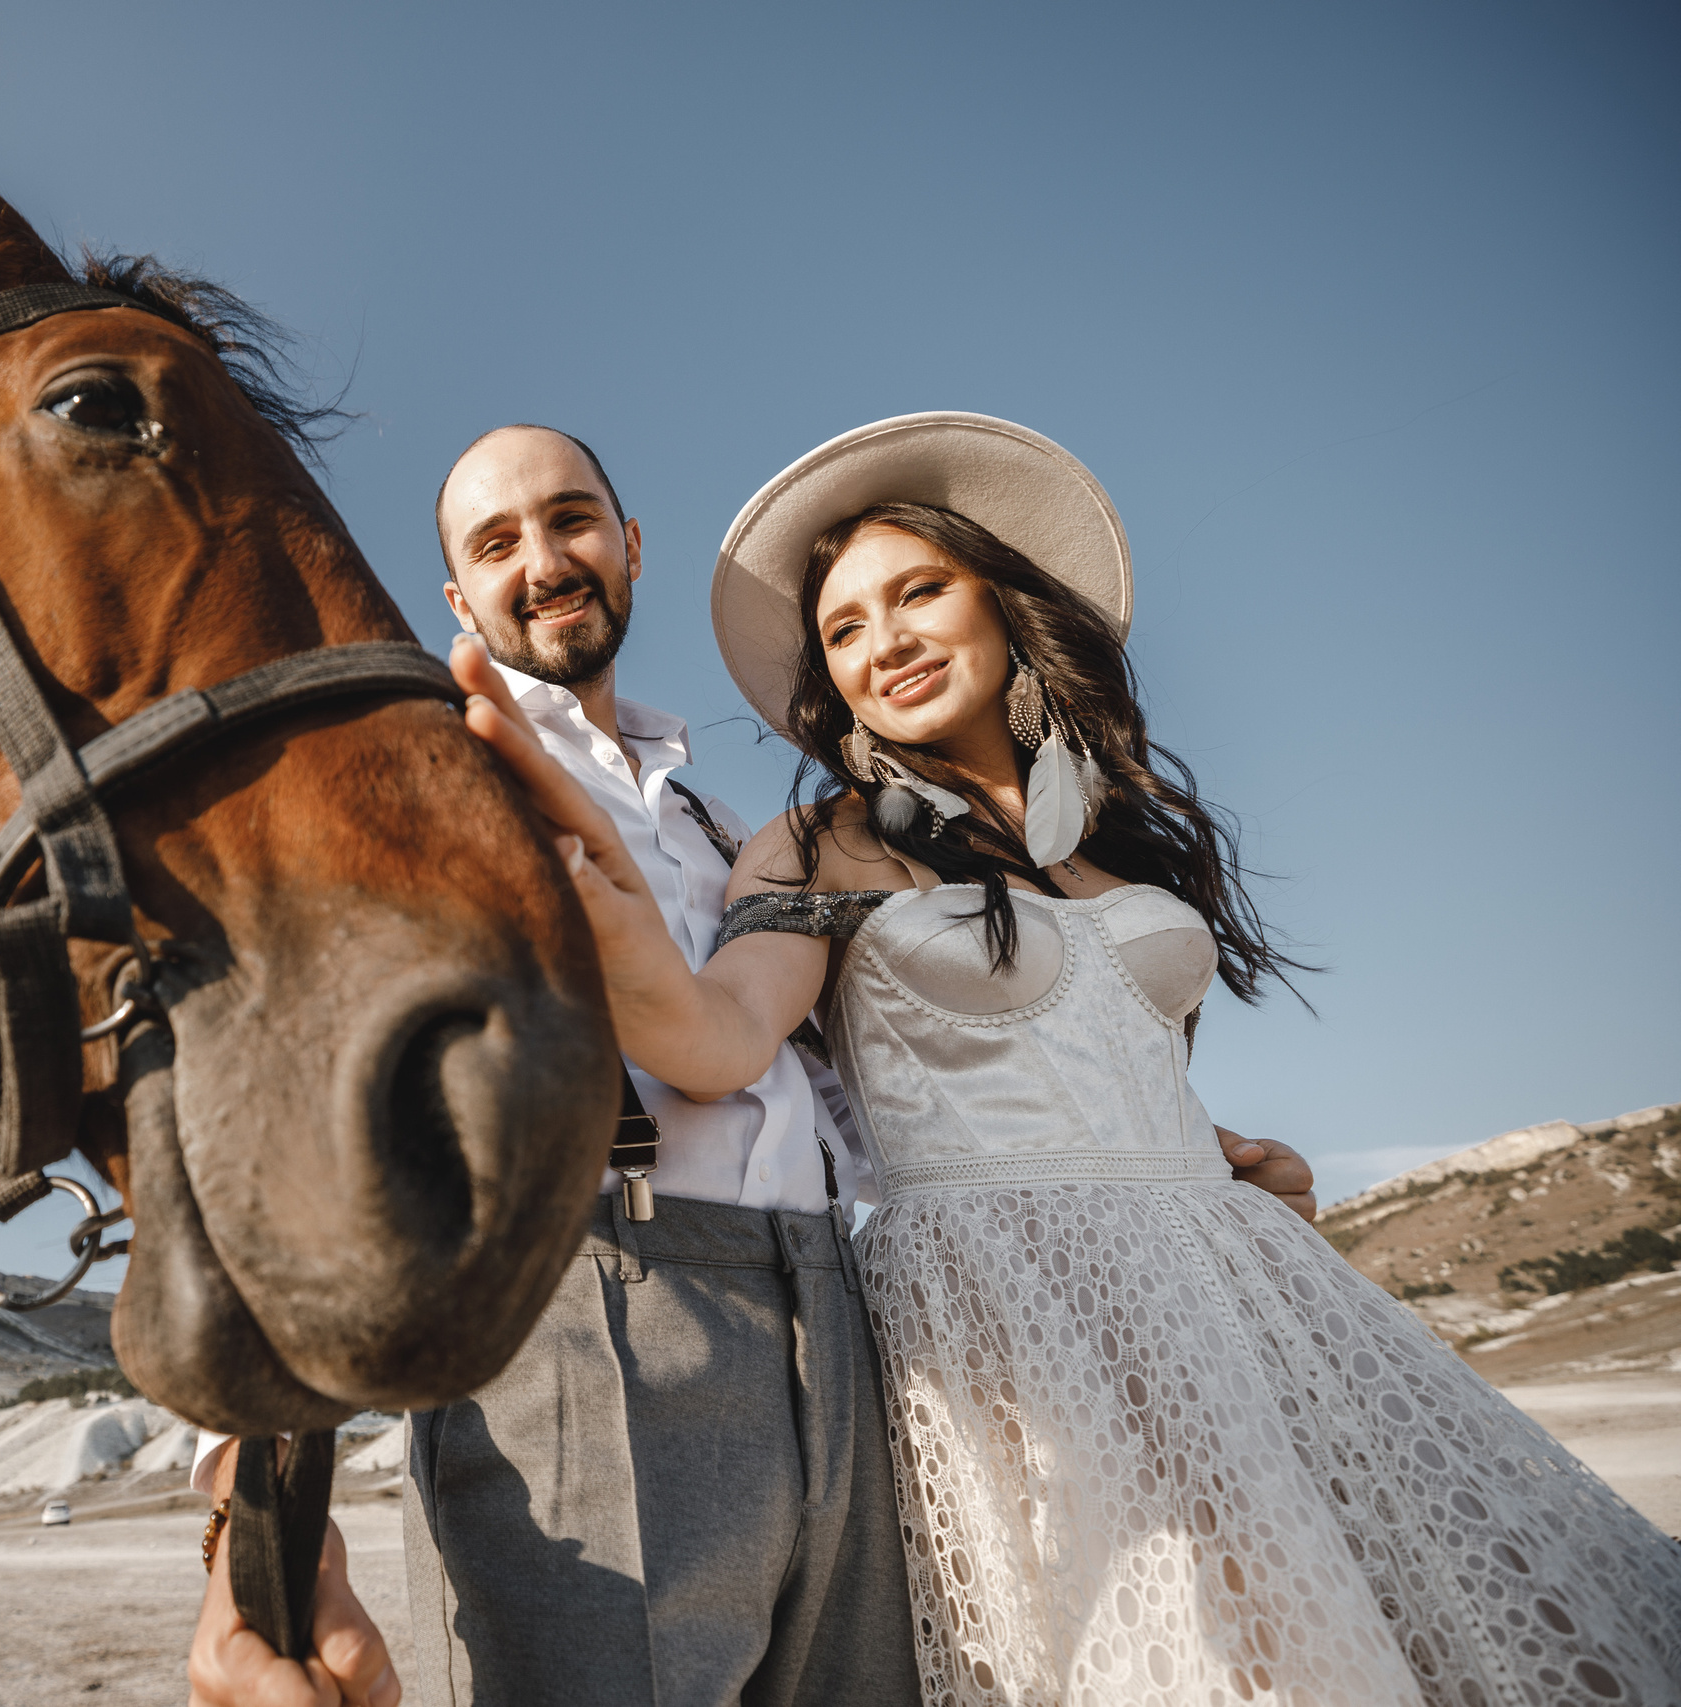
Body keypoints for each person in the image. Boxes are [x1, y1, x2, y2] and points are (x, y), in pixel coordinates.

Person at [457, 411, 1681, 1706]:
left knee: (1460, 1621)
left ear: (1002, 599)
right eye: (845, 628)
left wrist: (1225, 1158)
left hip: (1233, 1296)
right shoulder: (823, 843)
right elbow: (715, 1040)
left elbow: (1116, 1061)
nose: (887, 642)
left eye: (918, 591)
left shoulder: (1123, 831)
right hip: (1009, 1321)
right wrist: (614, 927)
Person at [187, 422, 1324, 1707]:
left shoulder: (717, 823)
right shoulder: (414, 788)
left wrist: (1179, 1164)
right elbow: (285, 1131)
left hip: (847, 1331)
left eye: (570, 520)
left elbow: (908, 1087)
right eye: (497, 543)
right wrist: (254, 1526)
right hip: (593, 1321)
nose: (544, 561)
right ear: (457, 598)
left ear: (629, 545)